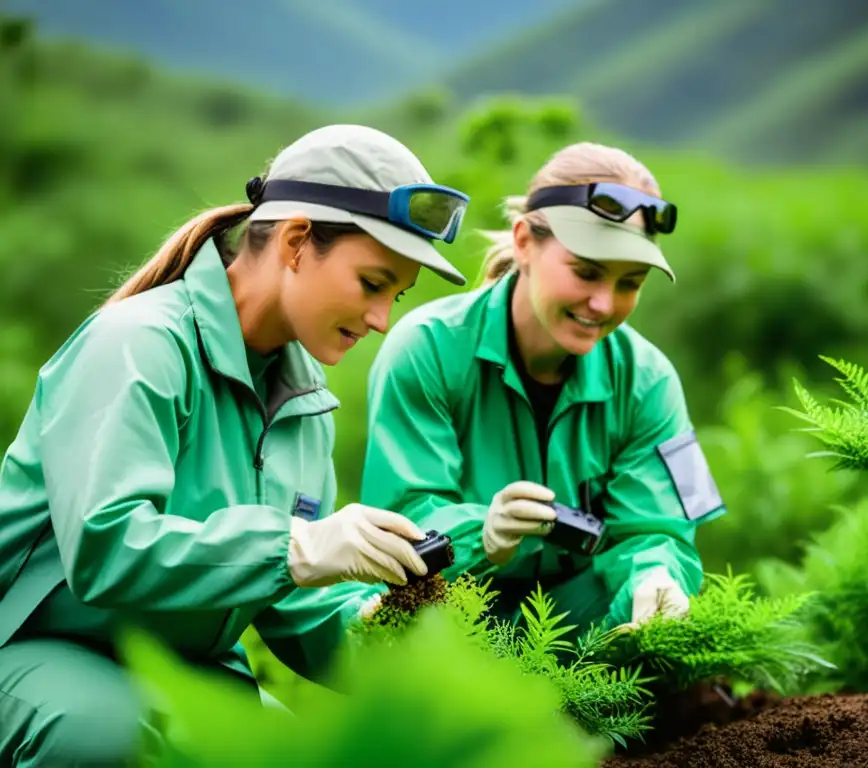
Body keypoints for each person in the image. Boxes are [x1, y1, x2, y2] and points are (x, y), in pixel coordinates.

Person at [0, 123, 470, 766]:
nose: (382, 319)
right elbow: (107, 548)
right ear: (299, 241)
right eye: (372, 283)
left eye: (398, 295)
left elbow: (292, 606)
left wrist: (375, 630)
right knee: (104, 736)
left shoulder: (306, 407)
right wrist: (299, 545)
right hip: (33, 648)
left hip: (179, 668)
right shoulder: (137, 345)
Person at [359, 141, 726, 638]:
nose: (602, 303)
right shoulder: (426, 349)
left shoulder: (649, 380)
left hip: (586, 630)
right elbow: (403, 518)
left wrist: (656, 577)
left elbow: (662, 530)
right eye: (587, 272)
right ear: (525, 242)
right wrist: (481, 534)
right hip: (456, 616)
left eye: (630, 282)